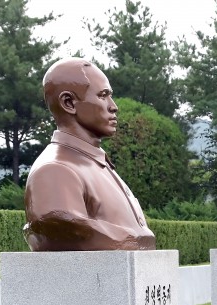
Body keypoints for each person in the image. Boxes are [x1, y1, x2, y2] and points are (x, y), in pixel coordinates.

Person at [24, 58, 155, 252]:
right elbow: (57, 227)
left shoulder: (96, 164)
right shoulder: (55, 171)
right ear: (69, 103)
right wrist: (139, 238)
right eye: (103, 96)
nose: (114, 106)